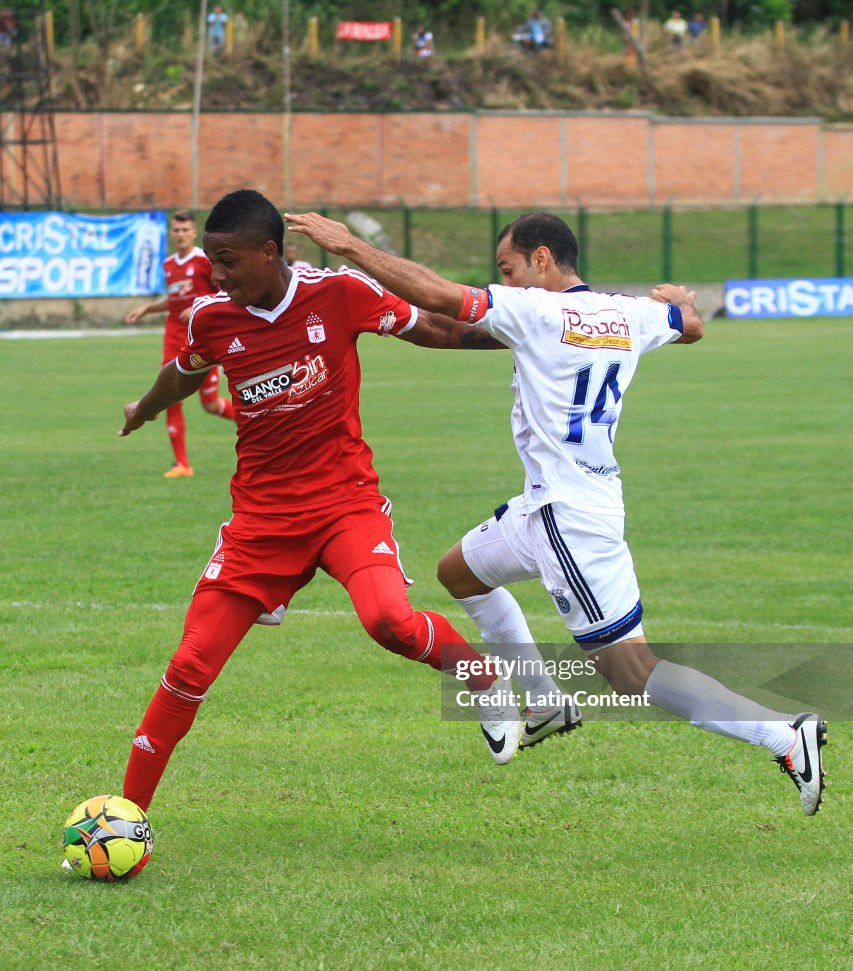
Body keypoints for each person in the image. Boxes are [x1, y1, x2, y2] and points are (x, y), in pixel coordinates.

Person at [284, 209, 829, 816]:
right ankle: (544, 701)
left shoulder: (535, 310)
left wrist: (348, 247)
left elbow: (438, 298)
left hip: (570, 521)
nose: (505, 281)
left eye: (508, 268)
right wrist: (678, 300)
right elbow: (691, 324)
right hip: (549, 506)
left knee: (631, 671)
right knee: (459, 572)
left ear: (542, 260)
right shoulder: (627, 312)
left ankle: (782, 733)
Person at [118, 189, 524, 816]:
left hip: (344, 505)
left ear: (269, 251)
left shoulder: (339, 294)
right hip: (261, 525)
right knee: (189, 664)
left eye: (226, 260)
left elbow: (441, 328)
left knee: (390, 622)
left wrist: (539, 333)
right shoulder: (211, 317)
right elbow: (186, 371)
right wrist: (144, 408)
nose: (215, 273)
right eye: (211, 260)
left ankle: (484, 682)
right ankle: (126, 816)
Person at [125, 210, 235, 478]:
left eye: (185, 230)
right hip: (174, 337)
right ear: (171, 233)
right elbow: (174, 300)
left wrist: (200, 305)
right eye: (176, 230)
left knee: (210, 404)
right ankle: (181, 464)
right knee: (171, 397)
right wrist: (148, 309)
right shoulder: (169, 265)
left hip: (203, 338)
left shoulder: (203, 261)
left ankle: (261, 420)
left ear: (194, 232)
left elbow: (225, 291)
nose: (180, 235)